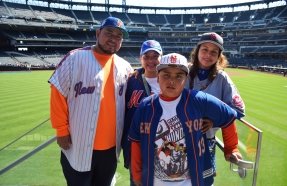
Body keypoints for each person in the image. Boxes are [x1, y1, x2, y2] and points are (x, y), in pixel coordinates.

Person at [128, 53, 240, 186]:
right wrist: (136, 173)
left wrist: (231, 149)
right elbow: (136, 141)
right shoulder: (145, 106)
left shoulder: (199, 99)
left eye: (178, 76)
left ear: (185, 79)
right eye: (166, 75)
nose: (171, 81)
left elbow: (228, 116)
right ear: (158, 77)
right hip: (155, 181)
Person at [48, 16, 133, 186]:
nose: (113, 39)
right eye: (109, 33)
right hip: (78, 145)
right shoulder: (75, 58)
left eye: (119, 36)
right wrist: (61, 130)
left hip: (111, 149)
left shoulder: (126, 66)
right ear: (97, 33)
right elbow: (57, 93)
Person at [188, 32, 245, 184]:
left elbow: (238, 109)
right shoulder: (183, 72)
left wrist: (214, 121)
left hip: (206, 142)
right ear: (197, 51)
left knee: (205, 182)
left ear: (219, 56)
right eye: (205, 49)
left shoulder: (222, 78)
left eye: (214, 52)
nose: (208, 55)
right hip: (180, 139)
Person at [122, 40, 163, 186]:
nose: (151, 61)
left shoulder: (170, 79)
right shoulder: (130, 80)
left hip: (163, 146)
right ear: (141, 59)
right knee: (137, 181)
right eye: (146, 57)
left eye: (155, 56)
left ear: (161, 57)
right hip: (137, 145)